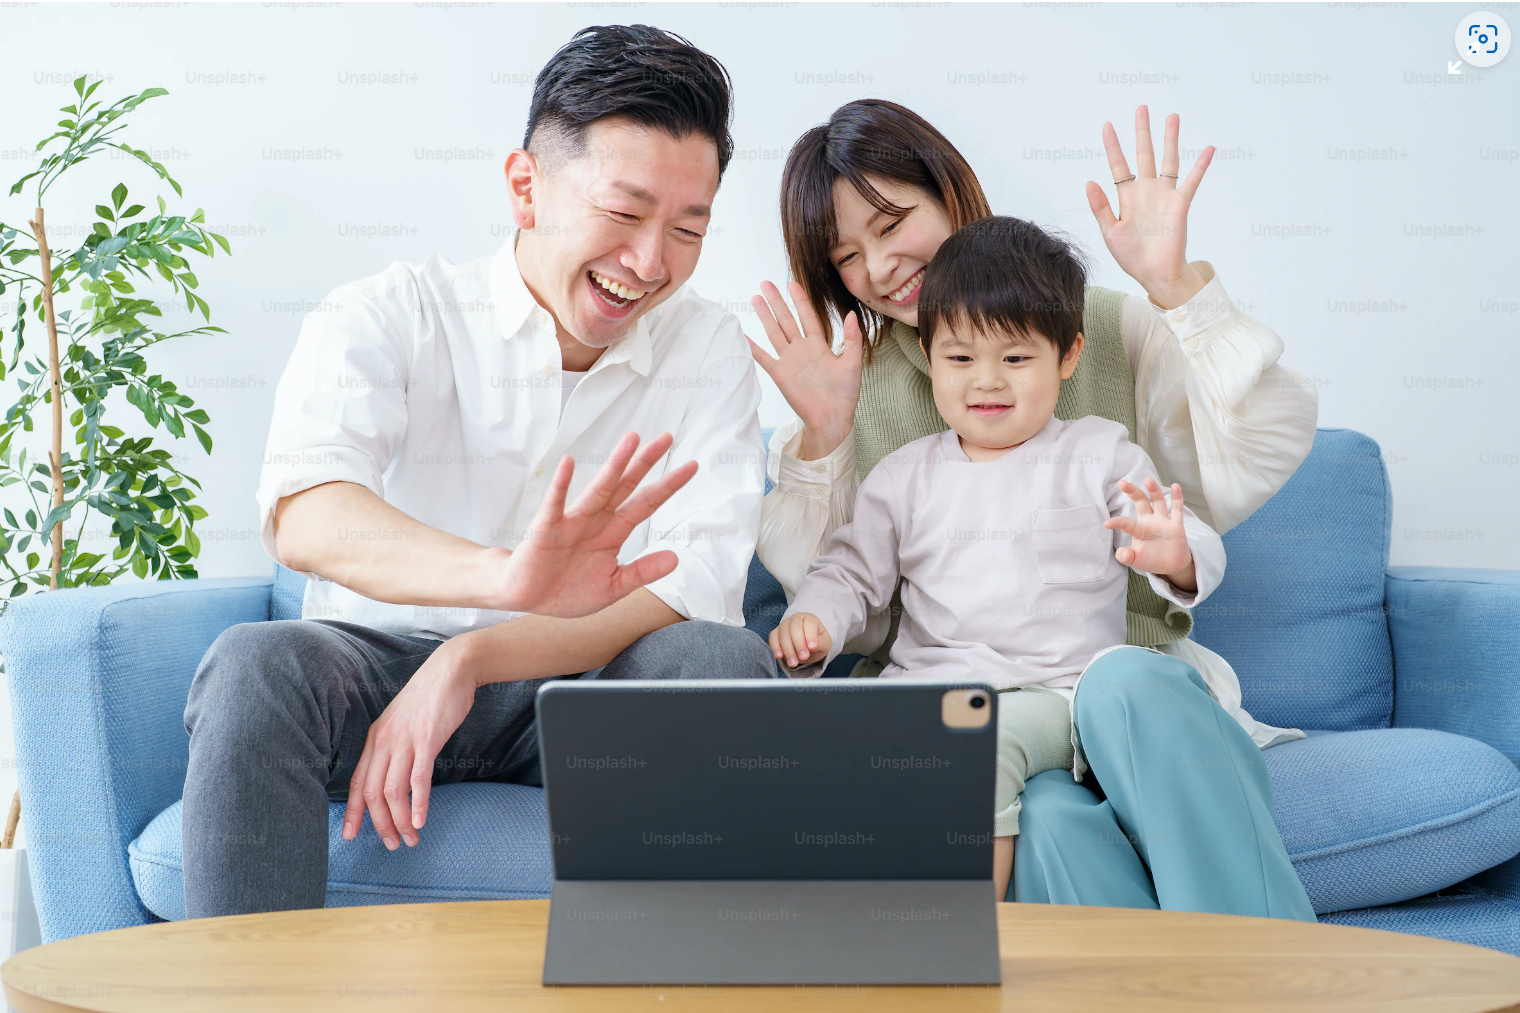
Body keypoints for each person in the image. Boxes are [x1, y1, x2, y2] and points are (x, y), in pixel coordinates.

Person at [181, 25, 776, 918]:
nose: (650, 264)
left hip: (580, 688)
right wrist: (501, 578)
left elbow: (689, 589)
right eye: (622, 213)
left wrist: (474, 656)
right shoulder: (391, 312)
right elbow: (311, 511)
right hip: (375, 668)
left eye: (687, 230)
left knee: (720, 660)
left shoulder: (708, 348)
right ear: (526, 187)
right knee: (255, 665)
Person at [751, 100, 1319, 912]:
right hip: (955, 701)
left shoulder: (1094, 359)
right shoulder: (866, 406)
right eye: (847, 254)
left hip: (1092, 688)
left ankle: (1264, 964)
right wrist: (825, 436)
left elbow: (1251, 454)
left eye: (892, 222)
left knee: (1114, 686)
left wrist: (1172, 290)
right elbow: (848, 586)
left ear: (948, 191)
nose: (879, 267)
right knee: (1049, 820)